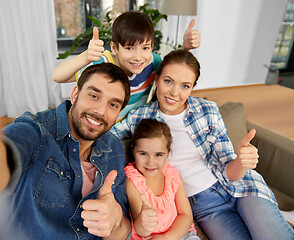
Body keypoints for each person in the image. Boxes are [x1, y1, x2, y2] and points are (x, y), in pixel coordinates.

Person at [111, 49, 294, 240]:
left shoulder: (207, 110)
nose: (174, 92)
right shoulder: (140, 117)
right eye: (168, 81)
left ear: (192, 88)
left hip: (242, 187)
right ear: (156, 79)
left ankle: (280, 218)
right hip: (204, 206)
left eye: (185, 86)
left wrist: (241, 161)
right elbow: (107, 136)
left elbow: (230, 173)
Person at [0, 63, 132, 240]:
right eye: (94, 95)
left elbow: (122, 232)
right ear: (75, 94)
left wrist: (115, 223)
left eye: (113, 105)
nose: (100, 111)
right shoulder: (36, 131)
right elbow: (12, 146)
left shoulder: (114, 148)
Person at [52, 11, 201, 121]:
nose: (138, 57)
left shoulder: (152, 61)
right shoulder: (103, 63)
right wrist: (86, 56)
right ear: (115, 48)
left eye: (145, 48)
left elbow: (173, 71)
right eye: (129, 48)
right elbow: (57, 76)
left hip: (129, 125)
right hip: (97, 122)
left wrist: (185, 48)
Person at [125, 118, 199, 240]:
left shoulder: (173, 175)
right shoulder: (132, 179)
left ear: (168, 153)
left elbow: (186, 215)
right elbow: (140, 230)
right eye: (143, 154)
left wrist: (167, 238)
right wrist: (145, 222)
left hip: (178, 234)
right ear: (133, 150)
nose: (150, 162)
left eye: (158, 155)